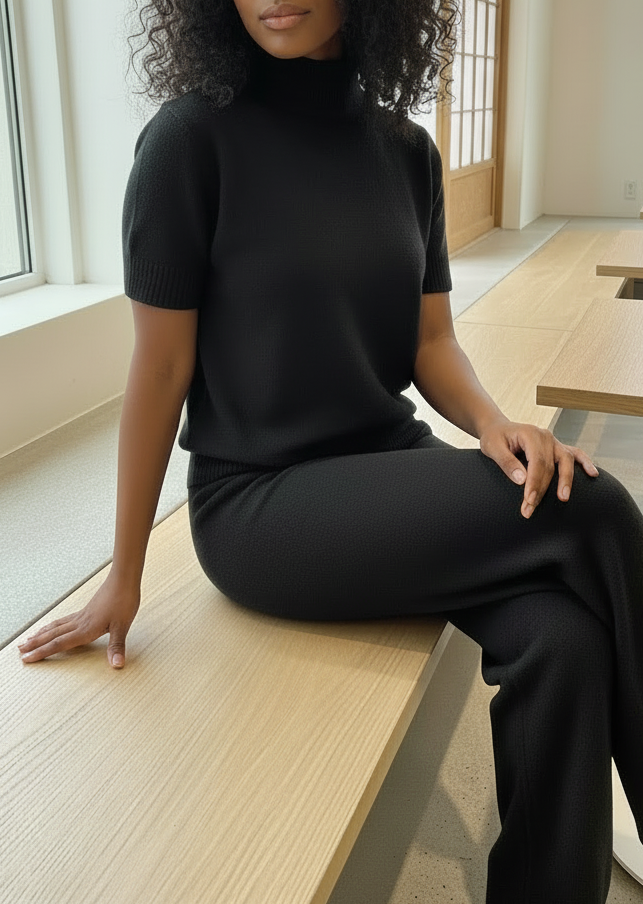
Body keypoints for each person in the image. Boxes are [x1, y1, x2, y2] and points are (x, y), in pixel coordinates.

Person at [18, 1, 643, 901]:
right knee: (596, 507)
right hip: (261, 500)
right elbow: (159, 371)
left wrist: (491, 422)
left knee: (564, 640)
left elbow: (430, 342)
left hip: (387, 457)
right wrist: (124, 572)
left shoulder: (406, 151)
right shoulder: (188, 142)